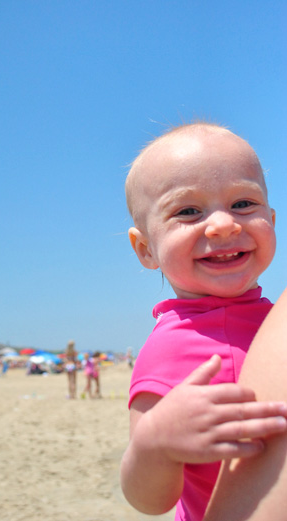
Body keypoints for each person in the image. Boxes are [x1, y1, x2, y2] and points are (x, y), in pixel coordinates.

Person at [120, 122, 287, 521]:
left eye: (244, 204)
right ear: (146, 249)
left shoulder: (272, 319)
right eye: (188, 211)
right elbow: (148, 501)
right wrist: (154, 444)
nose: (224, 224)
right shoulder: (170, 348)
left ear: (273, 220)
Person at [203, 287, 287, 521]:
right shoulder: (165, 347)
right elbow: (148, 501)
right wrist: (157, 442)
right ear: (146, 254)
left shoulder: (268, 314)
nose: (220, 246)